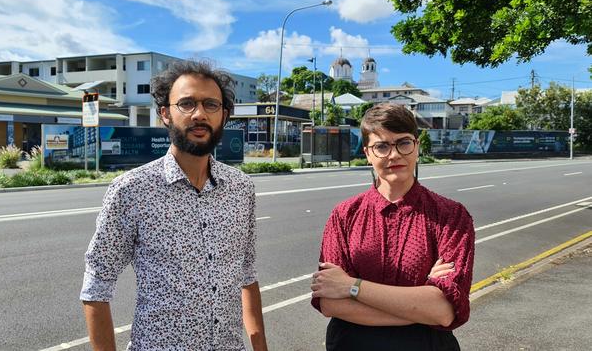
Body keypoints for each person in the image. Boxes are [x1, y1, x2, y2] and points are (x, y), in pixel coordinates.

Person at [80, 60, 268, 351]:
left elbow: (247, 273)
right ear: (165, 113)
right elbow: (96, 285)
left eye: (211, 105)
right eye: (187, 103)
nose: (199, 114)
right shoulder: (132, 190)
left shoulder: (241, 189)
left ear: (224, 116)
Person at [310, 103, 475, 350]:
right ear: (367, 153)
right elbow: (330, 303)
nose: (394, 154)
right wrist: (421, 305)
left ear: (417, 147)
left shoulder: (451, 215)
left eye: (404, 142)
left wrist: (351, 286)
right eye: (382, 146)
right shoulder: (344, 215)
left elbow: (444, 310)